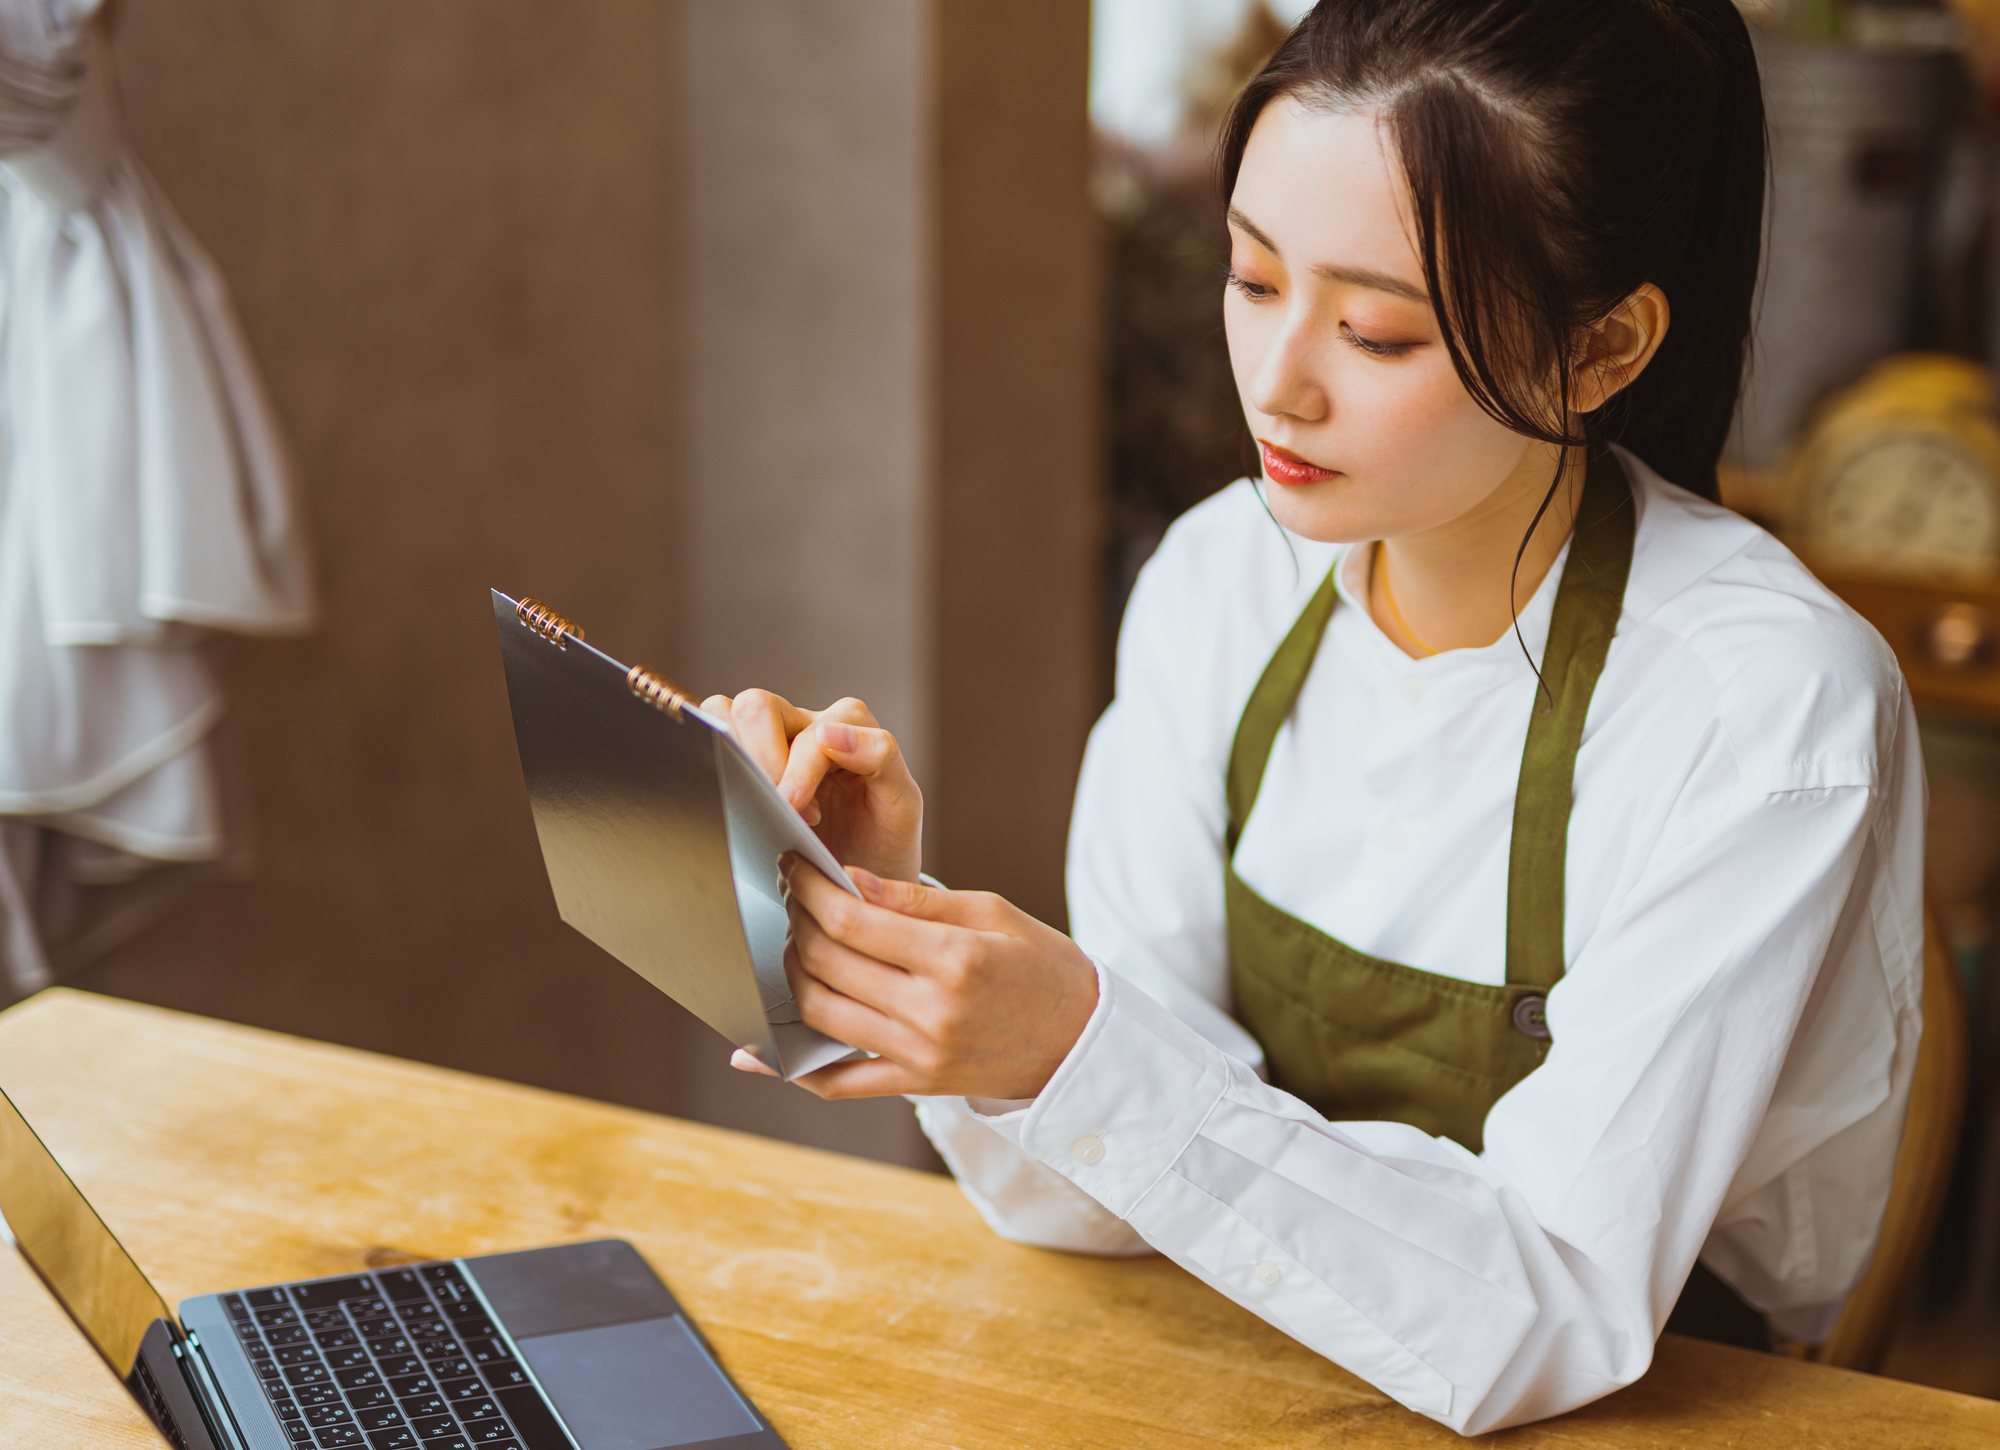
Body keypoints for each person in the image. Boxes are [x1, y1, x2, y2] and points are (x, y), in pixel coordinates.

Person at [706, 0, 1925, 1433]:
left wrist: (1078, 1043)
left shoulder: (1765, 713)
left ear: (1602, 351)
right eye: (1251, 276)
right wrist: (897, 939)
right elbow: (1114, 1197)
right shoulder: (1225, 577)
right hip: (1251, 1358)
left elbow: (1557, 1307)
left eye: (1377, 330)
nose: (1278, 381)